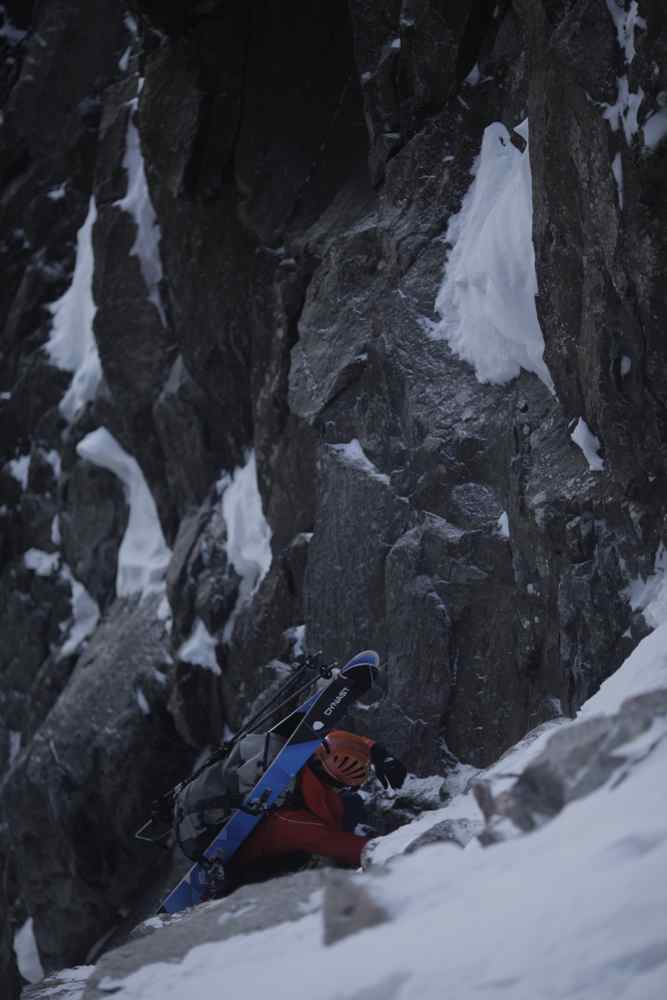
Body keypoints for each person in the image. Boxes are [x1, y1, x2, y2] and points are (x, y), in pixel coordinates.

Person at [221, 730, 408, 893]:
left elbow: (337, 740)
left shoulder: (299, 756)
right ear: (335, 784)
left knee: (352, 803)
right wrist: (403, 848)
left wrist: (374, 750)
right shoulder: (299, 824)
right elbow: (351, 848)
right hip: (251, 865)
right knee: (348, 810)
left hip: (284, 823)